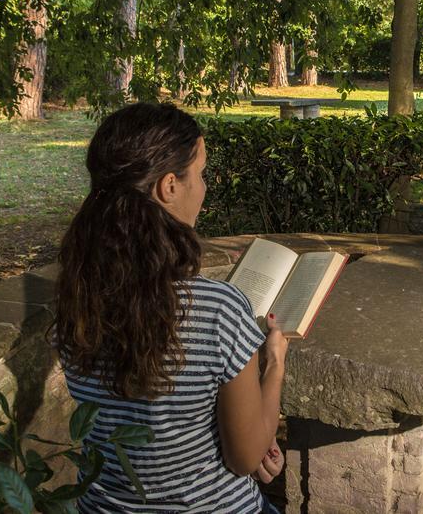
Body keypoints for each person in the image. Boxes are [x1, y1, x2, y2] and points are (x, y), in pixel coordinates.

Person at [51, 102, 287, 513]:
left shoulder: (77, 298)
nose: (204, 187)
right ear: (169, 186)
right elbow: (246, 459)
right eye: (201, 173)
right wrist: (275, 364)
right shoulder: (218, 311)